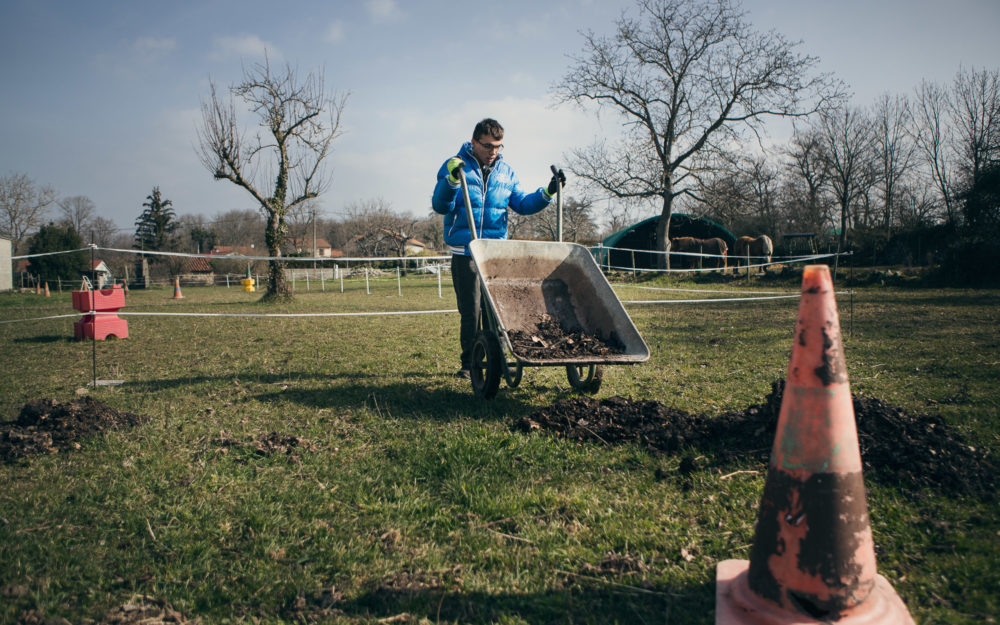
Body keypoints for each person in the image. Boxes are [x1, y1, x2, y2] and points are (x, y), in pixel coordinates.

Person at [432, 118, 566, 378]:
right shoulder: (456, 167)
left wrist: (548, 192)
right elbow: (440, 205)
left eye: (498, 147)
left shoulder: (506, 172)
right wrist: (450, 180)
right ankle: (470, 365)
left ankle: (500, 359)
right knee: (472, 311)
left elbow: (523, 204)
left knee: (497, 311)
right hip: (466, 251)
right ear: (473, 142)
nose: (493, 152)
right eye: (487, 146)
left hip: (495, 253)